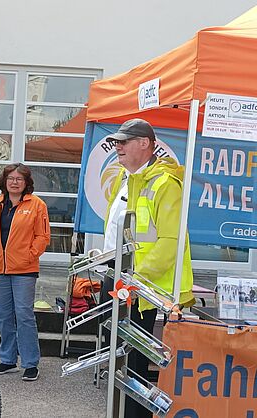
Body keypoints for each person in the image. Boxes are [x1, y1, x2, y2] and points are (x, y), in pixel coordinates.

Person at [102, 118, 194, 418]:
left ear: (145, 143)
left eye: (123, 142)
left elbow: (170, 242)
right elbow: (118, 230)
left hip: (139, 287)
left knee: (134, 364)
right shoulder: (124, 179)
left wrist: (135, 279)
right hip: (115, 277)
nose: (117, 147)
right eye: (116, 142)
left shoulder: (166, 183)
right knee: (115, 357)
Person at [0, 163, 50, 382]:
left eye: (19, 179)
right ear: (4, 181)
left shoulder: (36, 205)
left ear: (26, 183)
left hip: (24, 269)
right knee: (3, 315)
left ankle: (30, 362)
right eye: (10, 178)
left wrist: (29, 255)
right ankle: (7, 359)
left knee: (24, 315)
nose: (14, 182)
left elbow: (43, 236)